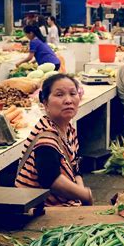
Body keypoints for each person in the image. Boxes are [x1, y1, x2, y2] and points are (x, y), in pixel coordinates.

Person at [16, 74, 93, 206]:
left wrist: (81, 193)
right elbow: (50, 180)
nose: (68, 100)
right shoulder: (46, 136)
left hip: (67, 204)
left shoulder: (68, 129)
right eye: (59, 95)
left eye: (73, 93)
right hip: (42, 211)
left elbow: (75, 168)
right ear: (45, 102)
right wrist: (86, 195)